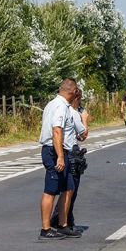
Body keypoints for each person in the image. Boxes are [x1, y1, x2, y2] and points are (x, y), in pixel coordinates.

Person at [37, 78, 78, 240]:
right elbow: (56, 131)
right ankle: (45, 229)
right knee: (51, 190)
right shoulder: (60, 106)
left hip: (62, 151)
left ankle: (63, 224)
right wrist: (60, 156)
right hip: (54, 151)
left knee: (69, 187)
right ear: (73, 92)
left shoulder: (52, 103)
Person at [51, 87, 89, 234]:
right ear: (76, 99)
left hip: (62, 150)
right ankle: (62, 220)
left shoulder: (55, 107)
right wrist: (84, 119)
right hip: (71, 152)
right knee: (70, 190)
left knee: (67, 189)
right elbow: (83, 134)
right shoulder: (72, 112)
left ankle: (67, 220)